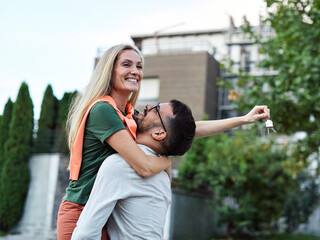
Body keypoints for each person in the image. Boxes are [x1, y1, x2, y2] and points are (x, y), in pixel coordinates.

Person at [57, 43, 270, 240]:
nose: (135, 71)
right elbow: (144, 166)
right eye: (126, 64)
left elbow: (189, 128)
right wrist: (167, 162)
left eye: (139, 66)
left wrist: (243, 119)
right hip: (81, 211)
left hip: (104, 211)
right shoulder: (103, 110)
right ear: (108, 71)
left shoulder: (128, 115)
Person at [71, 99, 196, 240]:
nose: (148, 106)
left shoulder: (120, 165)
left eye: (155, 110)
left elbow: (85, 235)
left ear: (159, 133)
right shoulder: (163, 176)